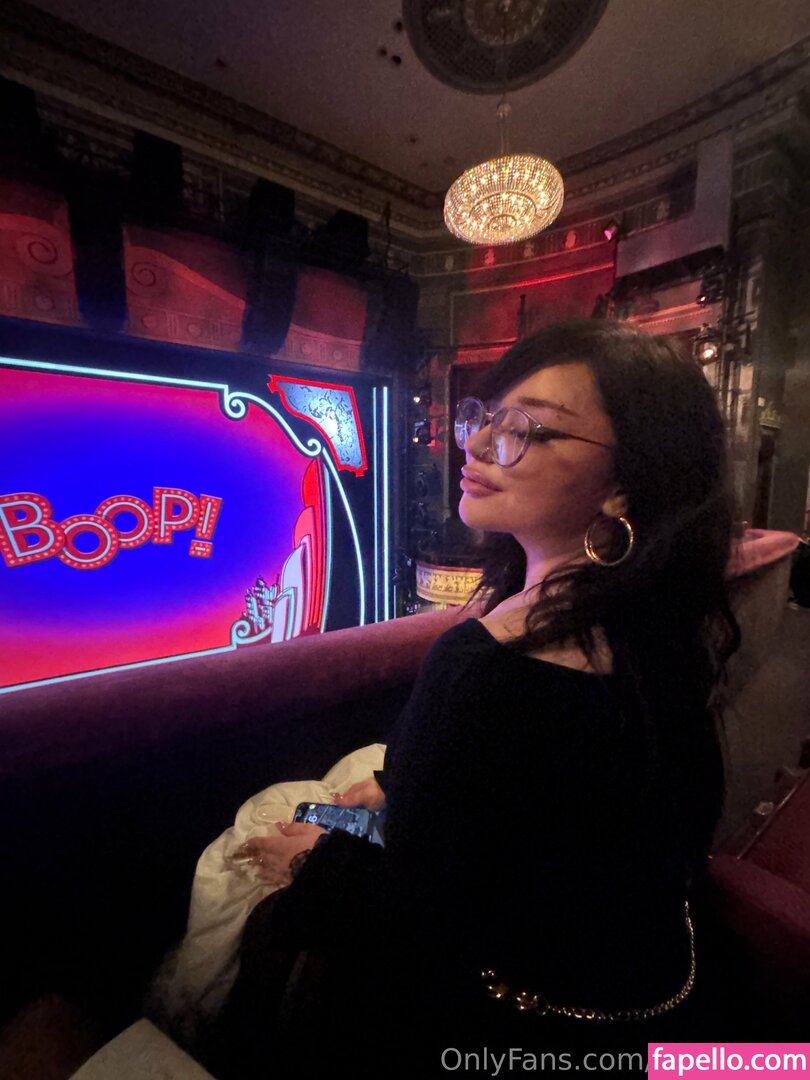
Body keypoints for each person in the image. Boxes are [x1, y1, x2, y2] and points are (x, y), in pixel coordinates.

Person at [205, 320, 741, 1079]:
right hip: (673, 1001)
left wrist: (314, 861)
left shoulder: (489, 664)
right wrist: (398, 791)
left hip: (505, 1032)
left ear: (627, 479)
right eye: (485, 417)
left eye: (528, 430)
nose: (478, 444)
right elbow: (553, 820)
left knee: (255, 834)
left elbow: (410, 915)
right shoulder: (662, 623)